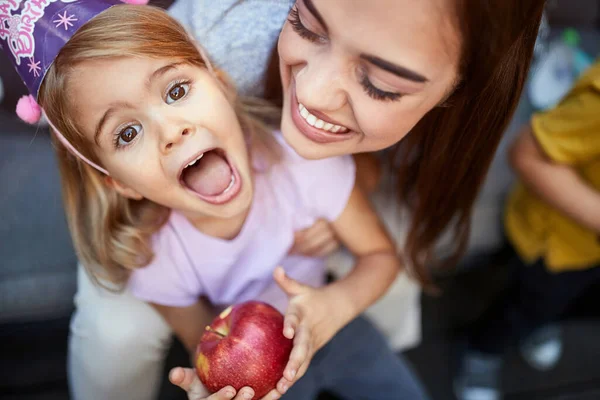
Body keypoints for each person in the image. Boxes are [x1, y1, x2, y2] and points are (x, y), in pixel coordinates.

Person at [4, 2, 428, 399]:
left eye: (175, 92)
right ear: (120, 183)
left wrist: (336, 306)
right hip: (255, 378)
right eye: (127, 133)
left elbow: (380, 256)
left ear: (223, 88)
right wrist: (209, 383)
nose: (172, 131)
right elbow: (199, 340)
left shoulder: (303, 167)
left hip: (339, 331)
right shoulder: (156, 261)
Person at [456, 61, 600, 400]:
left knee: (567, 303)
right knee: (528, 304)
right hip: (558, 245)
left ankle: (540, 324)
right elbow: (525, 154)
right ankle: (483, 351)